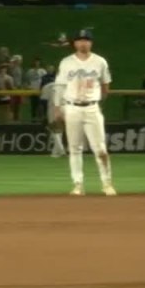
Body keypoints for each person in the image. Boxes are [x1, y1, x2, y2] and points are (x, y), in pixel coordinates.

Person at [51, 28, 116, 196]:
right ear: (74, 43)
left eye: (86, 40)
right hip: (72, 107)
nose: (83, 42)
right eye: (79, 40)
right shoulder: (66, 62)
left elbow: (105, 85)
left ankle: (106, 183)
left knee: (100, 148)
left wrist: (97, 102)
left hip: (92, 107)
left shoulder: (100, 61)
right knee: (74, 148)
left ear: (91, 42)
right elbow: (59, 86)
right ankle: (78, 184)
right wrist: (58, 107)